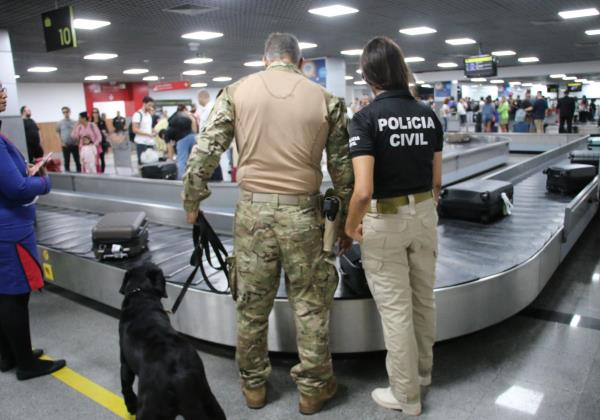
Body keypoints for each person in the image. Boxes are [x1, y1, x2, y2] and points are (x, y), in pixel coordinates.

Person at [182, 32, 353, 415]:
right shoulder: (325, 99)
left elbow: (205, 150)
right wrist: (341, 223)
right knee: (310, 305)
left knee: (251, 305)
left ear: (265, 59)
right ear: (300, 59)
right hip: (304, 216)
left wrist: (192, 201)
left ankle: (254, 387)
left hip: (253, 216)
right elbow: (344, 172)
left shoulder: (236, 92)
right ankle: (313, 391)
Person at [344, 36, 442, 417]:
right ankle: (422, 374)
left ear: (368, 75)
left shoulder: (365, 119)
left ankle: (406, 396)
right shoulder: (427, 114)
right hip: (423, 213)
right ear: (402, 69)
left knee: (397, 310)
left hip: (384, 218)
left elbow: (363, 190)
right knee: (423, 299)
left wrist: (352, 226)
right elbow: (437, 180)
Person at [0, 90, 67, 380]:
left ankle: (9, 355)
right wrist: (43, 181)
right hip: (10, 230)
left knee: (4, 294)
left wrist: (24, 169)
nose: (4, 95)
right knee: (15, 295)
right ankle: (25, 363)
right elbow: (16, 189)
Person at [132, 96, 156, 166]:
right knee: (142, 164)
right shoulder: (137, 114)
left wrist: (154, 131)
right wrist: (148, 134)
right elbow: (135, 129)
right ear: (144, 104)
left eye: (152, 105)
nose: (150, 107)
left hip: (150, 143)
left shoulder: (149, 115)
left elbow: (148, 127)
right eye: (149, 105)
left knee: (151, 163)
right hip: (141, 143)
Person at [56, 106, 80, 172]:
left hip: (74, 144)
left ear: (69, 112)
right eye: (64, 112)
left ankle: (80, 174)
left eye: (67, 112)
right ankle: (67, 175)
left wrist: (78, 141)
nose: (65, 113)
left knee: (77, 161)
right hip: (65, 145)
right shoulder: (59, 123)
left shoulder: (75, 122)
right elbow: (58, 133)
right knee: (67, 161)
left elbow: (78, 132)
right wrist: (61, 142)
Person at [91, 108, 108, 173]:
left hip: (101, 142)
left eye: (96, 112)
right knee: (94, 159)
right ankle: (96, 171)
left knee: (102, 158)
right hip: (94, 143)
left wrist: (104, 133)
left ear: (98, 113)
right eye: (93, 113)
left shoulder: (102, 122)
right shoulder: (90, 123)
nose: (95, 114)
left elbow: (106, 131)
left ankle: (102, 172)